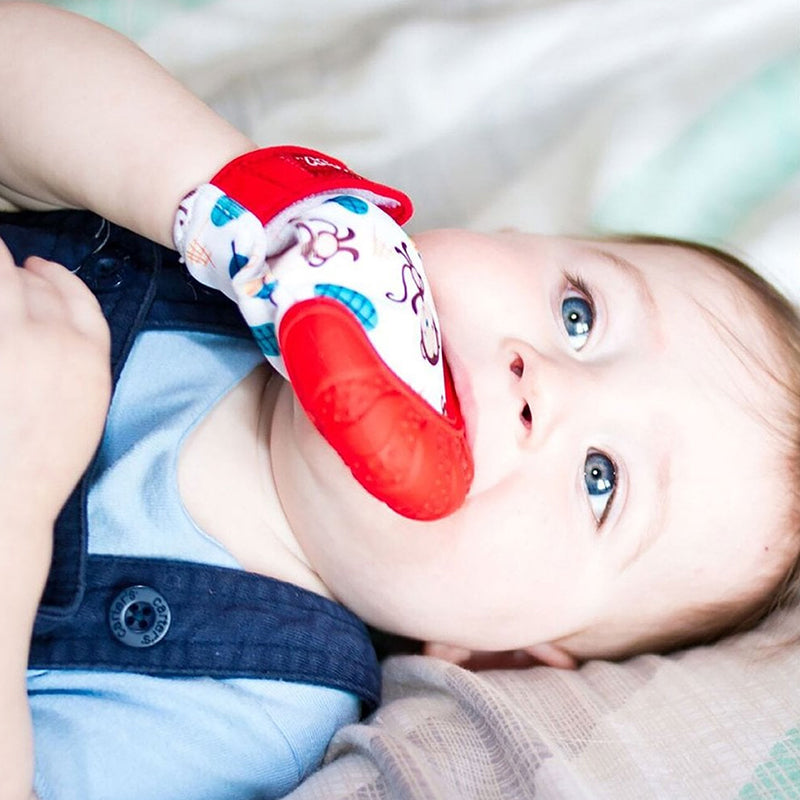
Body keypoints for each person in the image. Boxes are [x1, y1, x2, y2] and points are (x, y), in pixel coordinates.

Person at [1, 4, 798, 799]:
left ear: (497, 655)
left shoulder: (253, 719)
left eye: (601, 480)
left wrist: (19, 508)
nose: (544, 381)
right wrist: (244, 204)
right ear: (511, 231)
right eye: (578, 315)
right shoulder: (211, 245)